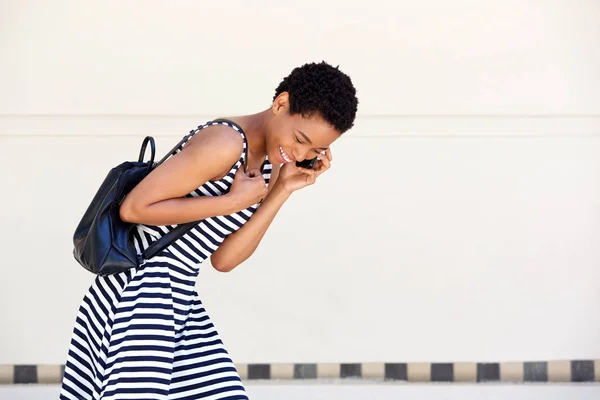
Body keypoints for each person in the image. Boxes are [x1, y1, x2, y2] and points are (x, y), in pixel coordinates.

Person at [59, 61, 358, 399]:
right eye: (300, 139)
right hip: (138, 290)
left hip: (179, 296)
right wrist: (231, 202)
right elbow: (134, 207)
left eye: (315, 150)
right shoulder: (226, 143)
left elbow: (224, 260)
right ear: (281, 104)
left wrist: (282, 190)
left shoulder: (274, 163)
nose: (301, 153)